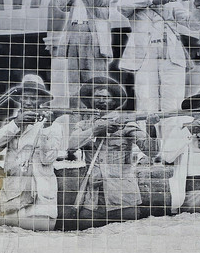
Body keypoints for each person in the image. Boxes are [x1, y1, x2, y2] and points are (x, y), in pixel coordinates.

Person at [66, 77, 157, 228]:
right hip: (92, 201)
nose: (101, 101)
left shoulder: (126, 124)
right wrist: (96, 129)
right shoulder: (82, 125)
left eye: (106, 97)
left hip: (123, 199)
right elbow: (71, 145)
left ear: (113, 102)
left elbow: (152, 152)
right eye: (97, 97)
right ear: (91, 100)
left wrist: (151, 127)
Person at [0, 75, 64, 230]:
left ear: (42, 101)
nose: (28, 102)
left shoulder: (53, 126)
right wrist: (17, 123)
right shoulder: (12, 123)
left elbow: (48, 159)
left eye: (34, 98)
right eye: (25, 97)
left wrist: (46, 127)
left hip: (39, 197)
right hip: (11, 194)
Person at [116, 0, 191, 113]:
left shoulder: (172, 4)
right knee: (146, 102)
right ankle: (147, 135)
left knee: (173, 102)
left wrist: (199, 7)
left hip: (170, 54)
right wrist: (152, 0)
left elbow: (192, 24)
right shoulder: (132, 3)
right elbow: (121, 5)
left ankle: (170, 134)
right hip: (145, 56)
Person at [53, 0, 115, 106]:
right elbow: (62, 5)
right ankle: (75, 121)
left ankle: (95, 116)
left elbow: (98, 2)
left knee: (94, 79)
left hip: (92, 35)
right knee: (74, 81)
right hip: (74, 33)